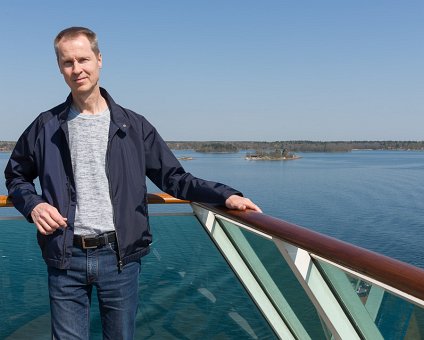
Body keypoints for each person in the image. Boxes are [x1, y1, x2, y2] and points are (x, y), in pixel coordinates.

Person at [4, 27, 261, 339]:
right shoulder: (45, 126)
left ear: (99, 60)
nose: (77, 69)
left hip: (119, 259)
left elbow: (175, 179)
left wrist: (226, 196)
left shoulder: (133, 126)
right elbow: (16, 176)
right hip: (64, 256)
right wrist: (34, 205)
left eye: (83, 59)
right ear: (60, 68)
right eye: (68, 62)